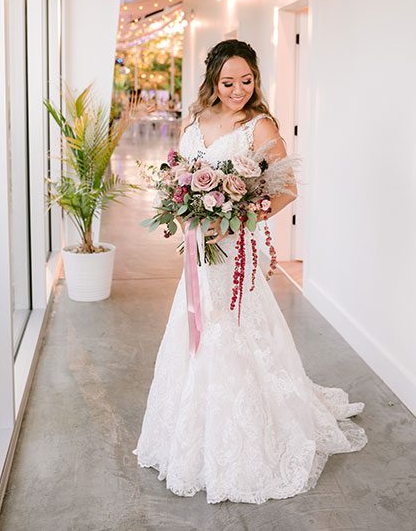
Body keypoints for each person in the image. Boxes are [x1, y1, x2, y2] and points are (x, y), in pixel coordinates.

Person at [133, 39, 367, 504]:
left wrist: (236, 219)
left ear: (256, 79)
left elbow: (286, 189)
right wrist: (187, 215)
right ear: (213, 80)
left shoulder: (260, 127)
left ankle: (245, 440)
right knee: (196, 324)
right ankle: (192, 436)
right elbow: (179, 179)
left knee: (233, 328)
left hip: (235, 250)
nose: (238, 89)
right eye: (228, 82)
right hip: (199, 251)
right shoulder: (196, 123)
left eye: (247, 80)